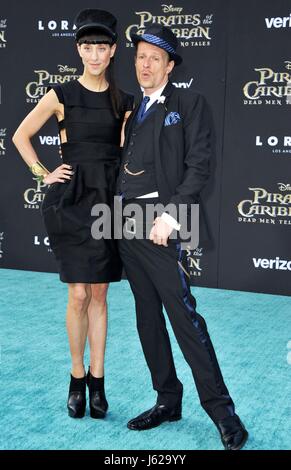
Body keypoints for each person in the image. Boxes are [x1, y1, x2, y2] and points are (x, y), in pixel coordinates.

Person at [117, 24, 248, 450]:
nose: (146, 64)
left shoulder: (191, 104)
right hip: (124, 222)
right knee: (146, 319)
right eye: (140, 56)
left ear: (170, 65)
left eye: (155, 58)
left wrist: (171, 217)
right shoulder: (131, 108)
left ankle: (224, 415)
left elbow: (199, 166)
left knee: (186, 321)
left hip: (163, 224)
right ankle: (167, 400)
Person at [12, 9, 133, 420]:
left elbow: (128, 153)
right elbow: (20, 135)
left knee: (99, 293)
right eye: (87, 47)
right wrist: (43, 173)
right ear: (78, 50)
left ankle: (99, 381)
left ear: (113, 50)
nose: (94, 54)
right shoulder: (60, 94)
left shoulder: (125, 101)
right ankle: (76, 376)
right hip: (71, 200)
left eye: (102, 47)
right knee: (78, 293)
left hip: (109, 201)